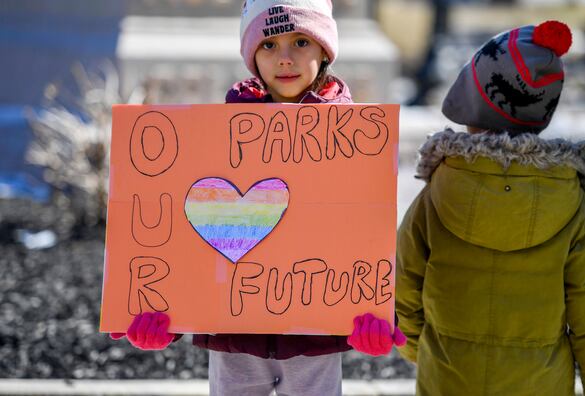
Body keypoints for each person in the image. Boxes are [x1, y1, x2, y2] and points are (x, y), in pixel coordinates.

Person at [111, 1, 405, 395]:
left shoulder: (357, 142)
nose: (285, 58)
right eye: (268, 45)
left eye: (301, 41)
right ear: (252, 56)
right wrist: (161, 312)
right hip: (237, 339)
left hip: (314, 343)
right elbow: (186, 234)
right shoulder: (214, 138)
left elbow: (369, 236)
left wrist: (381, 315)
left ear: (325, 50)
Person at [395, 20, 585, 395]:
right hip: (540, 383)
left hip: (448, 377)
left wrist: (419, 350)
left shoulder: (438, 191)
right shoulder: (574, 204)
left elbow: (405, 286)